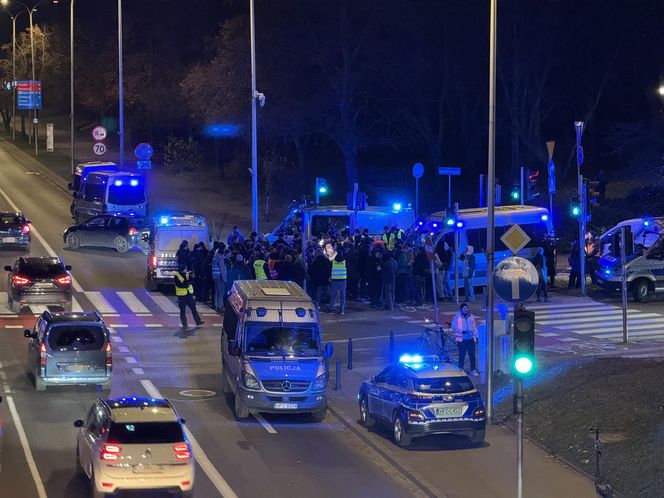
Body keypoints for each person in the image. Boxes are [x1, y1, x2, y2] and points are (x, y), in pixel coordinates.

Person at [174, 263, 204, 330]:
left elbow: (191, 281)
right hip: (181, 296)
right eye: (185, 269)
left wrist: (186, 283)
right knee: (183, 311)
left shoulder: (187, 274)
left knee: (194, 309)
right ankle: (185, 325)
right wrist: (186, 283)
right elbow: (180, 285)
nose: (186, 270)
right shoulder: (177, 276)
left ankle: (198, 321)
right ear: (183, 269)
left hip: (189, 295)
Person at [452, 303, 478, 376]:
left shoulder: (471, 316)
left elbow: (474, 327)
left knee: (472, 355)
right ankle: (461, 370)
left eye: (466, 308)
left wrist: (476, 336)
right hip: (462, 339)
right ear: (461, 309)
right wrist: (461, 331)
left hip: (470, 339)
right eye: (464, 308)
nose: (466, 309)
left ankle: (473, 370)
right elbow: (453, 326)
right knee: (462, 356)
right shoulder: (457, 316)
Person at [211, 243, 227, 311]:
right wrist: (224, 279)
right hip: (220, 277)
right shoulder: (220, 258)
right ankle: (221, 306)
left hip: (215, 277)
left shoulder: (215, 257)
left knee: (217, 292)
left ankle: (216, 305)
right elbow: (222, 269)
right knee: (221, 292)